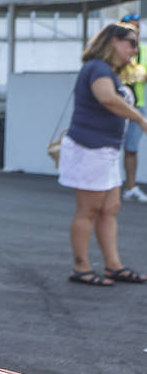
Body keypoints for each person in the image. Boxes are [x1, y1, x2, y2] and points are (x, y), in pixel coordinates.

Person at [59, 21, 147, 286]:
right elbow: (107, 97)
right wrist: (141, 120)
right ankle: (81, 267)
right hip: (90, 149)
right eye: (131, 43)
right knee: (89, 209)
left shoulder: (110, 70)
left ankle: (113, 265)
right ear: (113, 42)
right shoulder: (97, 68)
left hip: (105, 151)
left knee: (110, 208)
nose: (135, 49)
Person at [119, 14, 147, 203]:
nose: (135, 31)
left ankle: (131, 186)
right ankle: (103, 187)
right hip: (115, 108)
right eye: (131, 27)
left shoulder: (144, 51)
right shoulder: (113, 52)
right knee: (107, 149)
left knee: (131, 149)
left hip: (136, 108)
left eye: (137, 27)